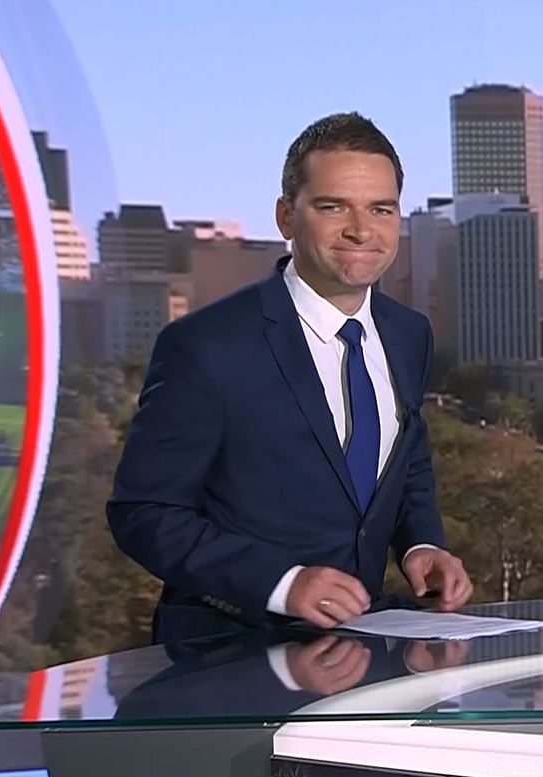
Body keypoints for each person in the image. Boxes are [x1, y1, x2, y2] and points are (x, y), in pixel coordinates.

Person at [108, 112, 472, 644]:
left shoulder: (409, 334)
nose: (361, 230)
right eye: (333, 207)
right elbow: (143, 512)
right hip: (227, 653)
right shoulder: (208, 346)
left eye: (381, 209)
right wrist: (281, 584)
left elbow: (408, 461)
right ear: (286, 217)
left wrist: (422, 544)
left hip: (360, 648)